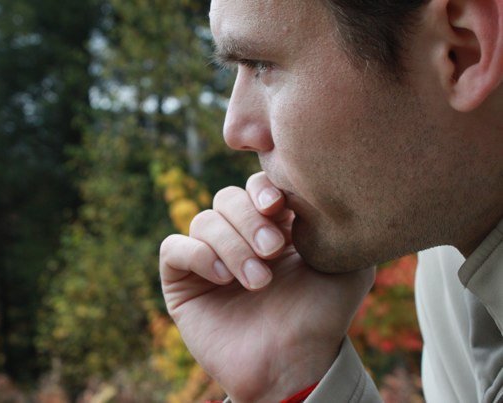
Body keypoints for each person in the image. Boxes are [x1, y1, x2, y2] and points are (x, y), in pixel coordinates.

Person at [159, 0, 503, 401]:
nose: (234, 131)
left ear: (461, 52)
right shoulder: (451, 264)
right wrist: (292, 382)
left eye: (262, 65)